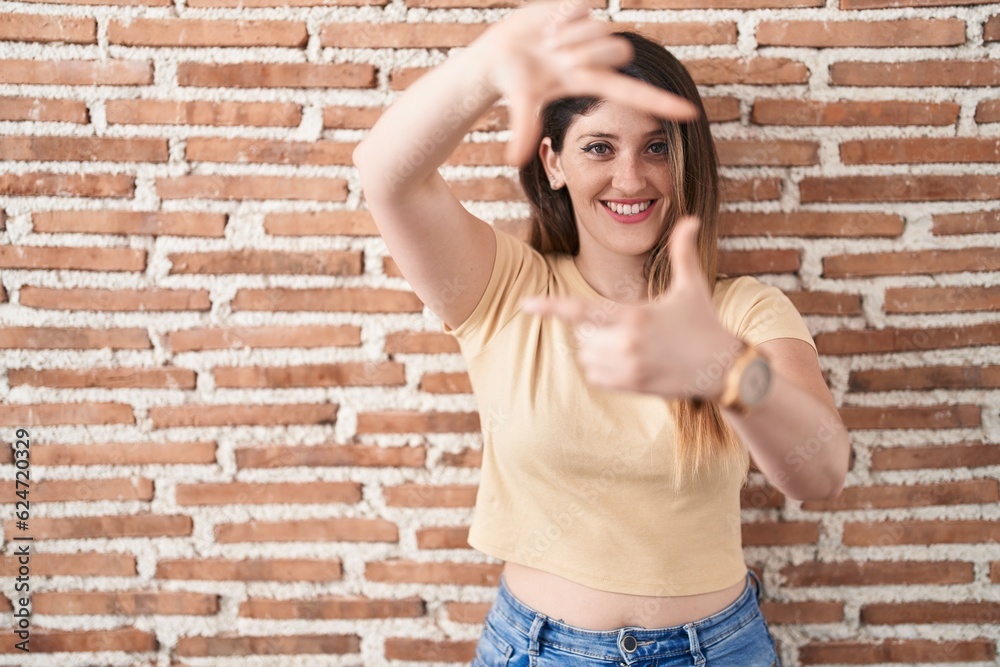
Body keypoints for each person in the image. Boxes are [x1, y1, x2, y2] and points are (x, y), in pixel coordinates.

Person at [352, 0, 851, 664]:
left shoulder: (741, 312)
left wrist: (730, 370)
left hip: (716, 649)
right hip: (537, 648)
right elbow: (386, 176)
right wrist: (486, 68)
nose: (630, 177)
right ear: (553, 162)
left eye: (655, 147)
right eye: (599, 147)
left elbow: (820, 472)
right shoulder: (505, 289)